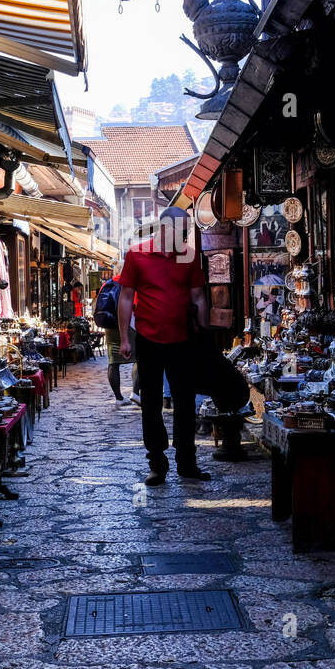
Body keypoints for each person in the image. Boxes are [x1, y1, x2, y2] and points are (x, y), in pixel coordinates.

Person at [118, 207, 212, 485]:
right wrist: (125, 337)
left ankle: (186, 462)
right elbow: (125, 298)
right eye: (182, 231)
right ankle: (157, 464)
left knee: (185, 403)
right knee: (151, 403)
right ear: (166, 228)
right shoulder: (137, 255)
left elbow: (198, 297)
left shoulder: (189, 257)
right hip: (148, 340)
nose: (185, 237)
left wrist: (204, 335)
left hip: (183, 340)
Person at [98, 264, 133, 408]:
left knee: (113, 361)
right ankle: (136, 393)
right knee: (138, 359)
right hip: (129, 323)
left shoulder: (107, 284)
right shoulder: (129, 284)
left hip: (110, 325)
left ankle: (118, 397)